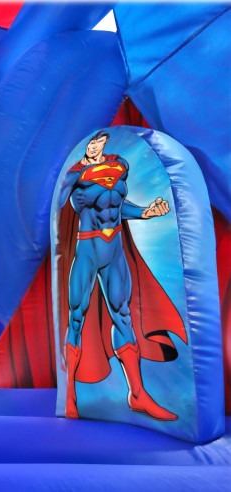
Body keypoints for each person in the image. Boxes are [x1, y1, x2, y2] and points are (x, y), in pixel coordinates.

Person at [58, 130, 182, 421]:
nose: (93, 146)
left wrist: (145, 212)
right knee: (76, 317)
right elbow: (58, 202)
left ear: (104, 143)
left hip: (114, 249)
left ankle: (137, 395)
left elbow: (115, 205)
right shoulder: (76, 174)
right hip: (88, 250)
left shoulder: (118, 166)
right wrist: (69, 177)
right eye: (90, 142)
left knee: (123, 315)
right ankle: (69, 394)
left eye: (97, 142)